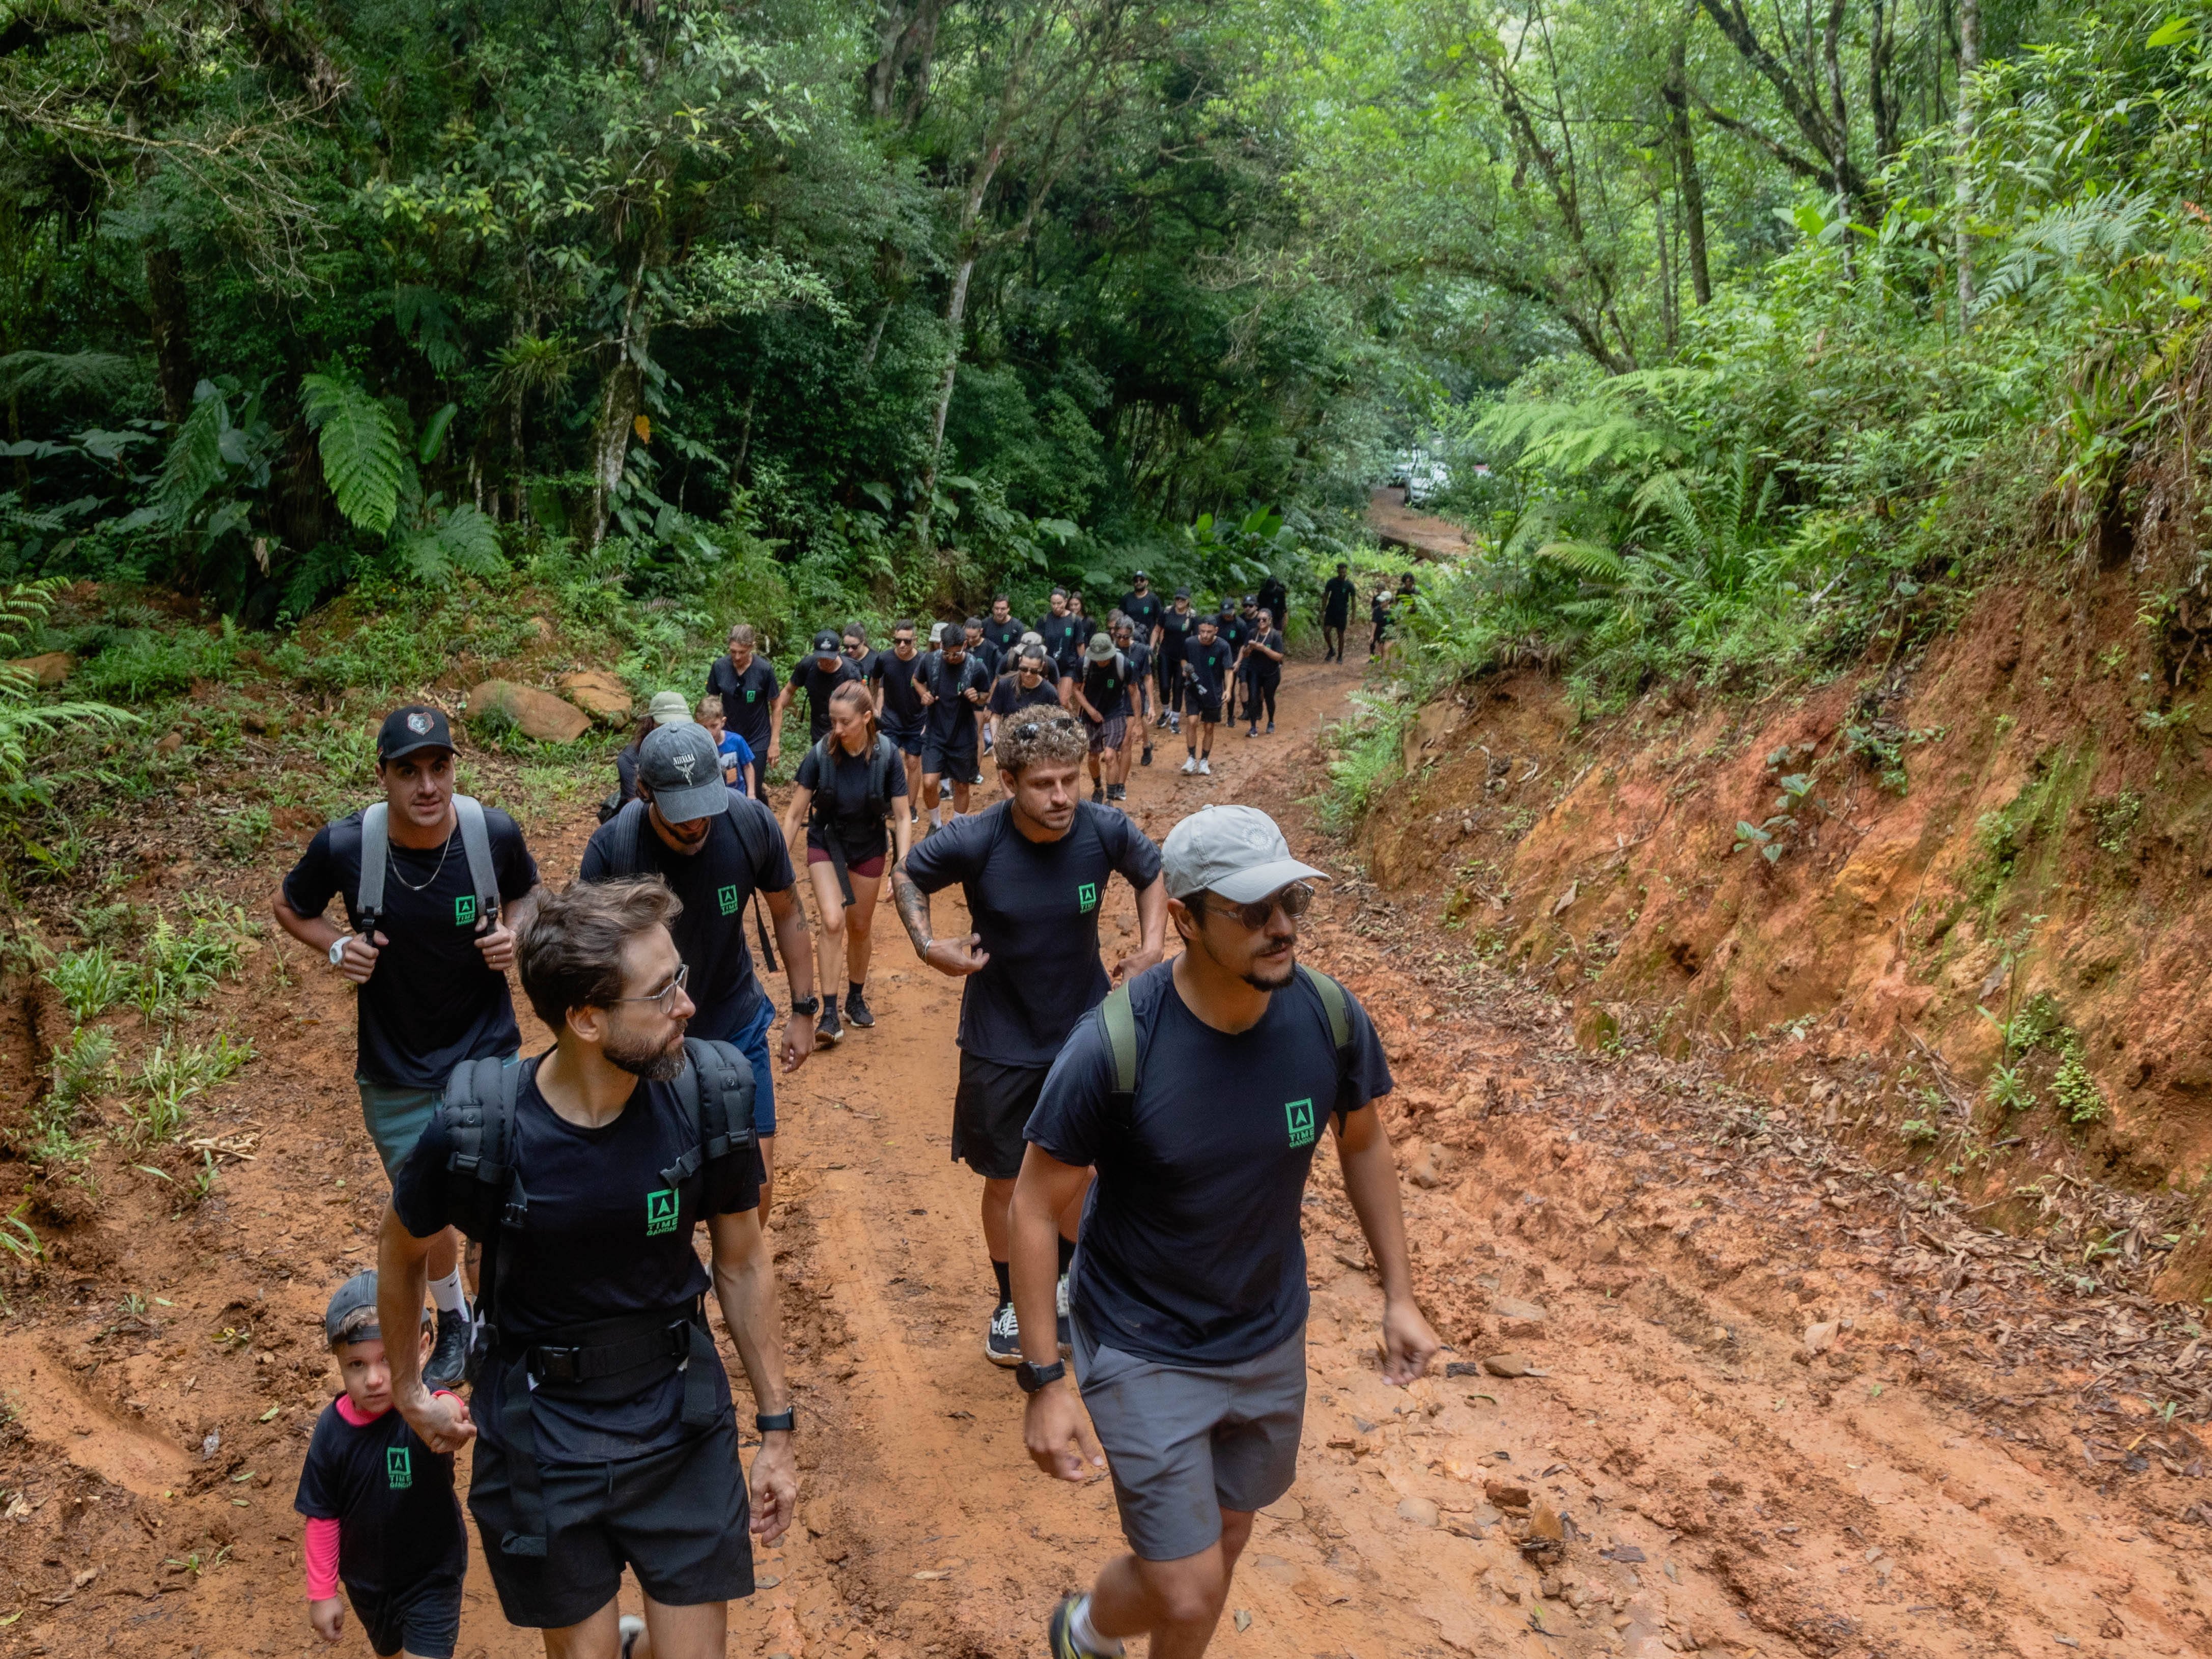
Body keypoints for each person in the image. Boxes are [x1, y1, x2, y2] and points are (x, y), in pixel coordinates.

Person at [1012, 805, 1440, 1659]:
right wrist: (1044, 1377)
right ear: (1184, 918)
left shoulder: (1327, 1016)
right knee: (1188, 1581)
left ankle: (1089, 1632)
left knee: (1229, 1536)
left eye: (1289, 901)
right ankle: (1090, 1627)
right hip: (1142, 1336)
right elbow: (1031, 1203)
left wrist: (1400, 1294)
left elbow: (1363, 1138)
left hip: (1266, 1329)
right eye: (1250, 909)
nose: (1281, 925)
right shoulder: (1116, 1046)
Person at [378, 879, 796, 1656]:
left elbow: (741, 1260)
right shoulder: (481, 1128)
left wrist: (776, 1429)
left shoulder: (709, 1093)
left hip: (680, 1419)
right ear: (585, 1018)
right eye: (662, 991)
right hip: (541, 1433)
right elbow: (401, 1251)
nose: (688, 1006)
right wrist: (409, 1389)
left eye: (680, 977)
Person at [275, 706, 542, 1389]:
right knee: (423, 1210)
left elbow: (528, 893)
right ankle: (453, 1319)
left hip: (484, 1053)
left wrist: (516, 932)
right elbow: (290, 906)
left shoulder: (491, 833)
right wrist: (337, 944)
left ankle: (506, 1315)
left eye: (440, 767)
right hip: (394, 1066)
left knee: (506, 1192)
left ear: (455, 766)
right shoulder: (346, 848)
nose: (427, 785)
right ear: (384, 776)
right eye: (409, 771)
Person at [892, 714, 1166, 1365]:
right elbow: (909, 877)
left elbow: (1152, 871)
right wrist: (929, 946)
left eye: (1071, 779)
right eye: (1043, 784)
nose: (1061, 796)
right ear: (1009, 781)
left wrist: (1154, 946)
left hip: (1086, 1033)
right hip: (1000, 1037)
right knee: (1007, 1177)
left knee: (1086, 1169)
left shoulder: (1102, 830)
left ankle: (1068, 1282)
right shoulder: (976, 837)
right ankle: (1013, 1300)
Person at [581, 721, 816, 1215]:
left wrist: (803, 1008)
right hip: (651, 1039)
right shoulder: (612, 850)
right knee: (657, 1193)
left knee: (753, 1190)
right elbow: (591, 960)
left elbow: (788, 912)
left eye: (705, 806)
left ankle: (727, 1273)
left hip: (736, 1022)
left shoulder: (751, 824)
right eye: (681, 813)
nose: (695, 824)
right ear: (645, 792)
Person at [297, 1273, 466, 1659]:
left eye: (388, 1358)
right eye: (357, 1364)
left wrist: (446, 1413)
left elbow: (446, 1405)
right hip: (368, 1584)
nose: (373, 1379)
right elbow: (322, 1515)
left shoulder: (422, 1408)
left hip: (432, 1575)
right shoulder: (330, 1431)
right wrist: (322, 1593)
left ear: (420, 1349)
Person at [781, 682, 914, 1046]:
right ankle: (827, 1011)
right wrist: (776, 862)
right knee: (832, 920)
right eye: (832, 721)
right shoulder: (820, 755)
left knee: (859, 926)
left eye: (845, 722)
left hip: (869, 845)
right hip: (826, 842)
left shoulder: (887, 756)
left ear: (867, 718)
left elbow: (902, 816)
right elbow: (794, 815)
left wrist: (901, 867)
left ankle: (855, 998)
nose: (836, 729)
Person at [915, 631, 991, 830]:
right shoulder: (930, 661)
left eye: (956, 654)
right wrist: (924, 695)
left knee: (962, 785)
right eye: (946, 653)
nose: (951, 658)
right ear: (940, 645)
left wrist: (977, 697)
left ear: (965, 645)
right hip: (935, 733)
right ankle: (936, 825)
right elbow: (916, 680)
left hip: (963, 735)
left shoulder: (976, 667)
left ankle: (957, 828)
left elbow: (986, 694)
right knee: (930, 783)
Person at [872, 620, 929, 827]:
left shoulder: (924, 661)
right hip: (891, 719)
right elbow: (875, 679)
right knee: (887, 760)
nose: (902, 645)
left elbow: (932, 689)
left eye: (907, 641)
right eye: (898, 641)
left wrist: (929, 717)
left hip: (917, 720)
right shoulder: (885, 658)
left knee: (913, 763)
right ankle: (888, 803)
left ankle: (911, 806)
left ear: (915, 640)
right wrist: (874, 705)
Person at [706, 625, 779, 771]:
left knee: (754, 787)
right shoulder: (720, 667)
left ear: (752, 647)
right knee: (731, 782)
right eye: (733, 652)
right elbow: (711, 705)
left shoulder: (764, 670)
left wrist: (774, 742)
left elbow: (777, 707)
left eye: (742, 652)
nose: (737, 657)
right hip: (729, 735)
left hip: (758, 737)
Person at [775, 630, 864, 750]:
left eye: (829, 658)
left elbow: (863, 705)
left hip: (845, 729)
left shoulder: (850, 673)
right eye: (821, 658)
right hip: (819, 727)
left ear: (839, 651)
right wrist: (776, 714)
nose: (825, 662)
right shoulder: (808, 665)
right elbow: (789, 691)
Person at [1072, 633, 1133, 806]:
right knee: (1092, 757)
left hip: (1115, 713)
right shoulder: (1083, 663)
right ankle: (1098, 788)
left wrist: (1136, 718)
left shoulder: (1123, 664)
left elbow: (1134, 691)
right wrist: (1091, 711)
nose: (1101, 661)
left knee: (1110, 755)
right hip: (1091, 714)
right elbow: (1075, 690)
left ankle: (1110, 798)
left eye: (1104, 658)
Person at [614, 692, 696, 809]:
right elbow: (637, 808)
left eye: (680, 725)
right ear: (650, 723)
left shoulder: (694, 749)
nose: (673, 731)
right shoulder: (631, 759)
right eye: (665, 725)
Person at [1177, 617, 1233, 776]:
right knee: (1192, 722)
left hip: (1213, 692)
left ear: (1216, 630)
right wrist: (1185, 669)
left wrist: (1228, 690)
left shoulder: (1223, 646)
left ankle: (1204, 761)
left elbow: (1228, 670)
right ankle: (1191, 758)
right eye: (1202, 632)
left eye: (1209, 632)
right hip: (1193, 690)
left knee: (1209, 727)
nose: (1205, 635)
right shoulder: (1190, 643)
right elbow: (1183, 658)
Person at [990, 649, 1065, 749]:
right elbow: (996, 717)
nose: (1028, 674)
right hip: (1010, 744)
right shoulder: (1005, 685)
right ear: (1020, 661)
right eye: (1024, 669)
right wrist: (996, 742)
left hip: (1037, 747)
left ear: (1041, 667)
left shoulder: (1050, 692)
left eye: (1033, 671)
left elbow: (1056, 725)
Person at [1112, 618, 1153, 772]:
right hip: (1116, 694)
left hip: (1136, 692)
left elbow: (1148, 677)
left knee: (1139, 718)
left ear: (1132, 635)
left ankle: (1146, 744)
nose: (1122, 640)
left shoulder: (1141, 650)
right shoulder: (1110, 650)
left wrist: (1152, 706)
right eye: (1119, 636)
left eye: (1126, 637)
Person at [697, 695, 758, 796]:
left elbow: (748, 767)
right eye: (704, 727)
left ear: (723, 722)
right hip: (712, 798)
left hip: (737, 795)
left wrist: (751, 793)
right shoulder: (697, 745)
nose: (709, 732)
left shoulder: (736, 741)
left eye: (713, 726)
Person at [1155, 588, 1195, 735]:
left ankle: (1176, 720)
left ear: (1188, 601)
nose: (1180, 601)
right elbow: (1157, 630)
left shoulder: (1192, 616)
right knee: (1165, 686)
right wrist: (1151, 649)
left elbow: (1195, 638)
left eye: (1183, 599)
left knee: (1178, 687)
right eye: (1178, 598)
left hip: (1182, 658)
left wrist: (1194, 660)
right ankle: (1166, 712)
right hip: (1165, 653)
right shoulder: (1167, 612)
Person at [1239, 609, 1284, 738]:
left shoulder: (1275, 636)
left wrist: (1264, 649)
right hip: (1255, 671)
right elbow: (1245, 653)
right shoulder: (1252, 633)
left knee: (1269, 698)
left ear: (1270, 620)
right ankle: (1253, 727)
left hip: (1271, 673)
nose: (1261, 622)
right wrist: (1250, 648)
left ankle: (1271, 721)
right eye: (1259, 620)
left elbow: (1279, 656)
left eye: (1264, 619)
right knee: (1253, 698)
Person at [1039, 589, 1085, 696]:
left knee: (1063, 700)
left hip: (1068, 665)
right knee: (1053, 698)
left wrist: (1084, 665)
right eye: (1053, 603)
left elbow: (1080, 644)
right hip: (1049, 666)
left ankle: (1068, 712)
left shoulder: (1075, 620)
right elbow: (1038, 643)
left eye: (1059, 603)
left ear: (1065, 601)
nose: (1056, 607)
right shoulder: (1044, 620)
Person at [1118, 572, 1164, 662]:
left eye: (1142, 580)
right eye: (1136, 580)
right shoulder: (1126, 599)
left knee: (1147, 666)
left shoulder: (1153, 599)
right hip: (1130, 638)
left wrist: (1156, 644)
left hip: (1148, 639)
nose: (1139, 582)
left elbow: (1160, 623)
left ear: (1146, 582)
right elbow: (1120, 620)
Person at [1320, 563, 1356, 662]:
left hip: (1342, 613)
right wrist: (1323, 610)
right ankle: (1331, 649)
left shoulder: (1350, 585)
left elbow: (1353, 601)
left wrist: (1353, 616)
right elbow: (1326, 596)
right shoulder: (1331, 582)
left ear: (1346, 571)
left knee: (1340, 634)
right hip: (1331, 611)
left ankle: (1340, 656)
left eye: (1344, 572)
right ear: (1337, 571)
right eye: (1340, 572)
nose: (1342, 574)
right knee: (1326, 631)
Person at [983, 595, 1027, 663]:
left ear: (1009, 609)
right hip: (988, 663)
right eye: (997, 608)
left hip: (1008, 664)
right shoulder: (985, 624)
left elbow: (1021, 650)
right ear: (992, 609)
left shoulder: (1017, 626)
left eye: (1003, 609)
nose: (999, 612)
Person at [1369, 585, 1392, 659]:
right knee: (1383, 652)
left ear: (1388, 601)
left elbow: (1397, 623)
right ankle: (1384, 667)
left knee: (1386, 650)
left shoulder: (1393, 611)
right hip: (1380, 633)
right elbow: (1374, 623)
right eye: (1381, 600)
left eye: (1383, 601)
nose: (1381, 602)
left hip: (1390, 634)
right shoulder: (1376, 610)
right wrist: (1372, 635)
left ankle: (1387, 667)